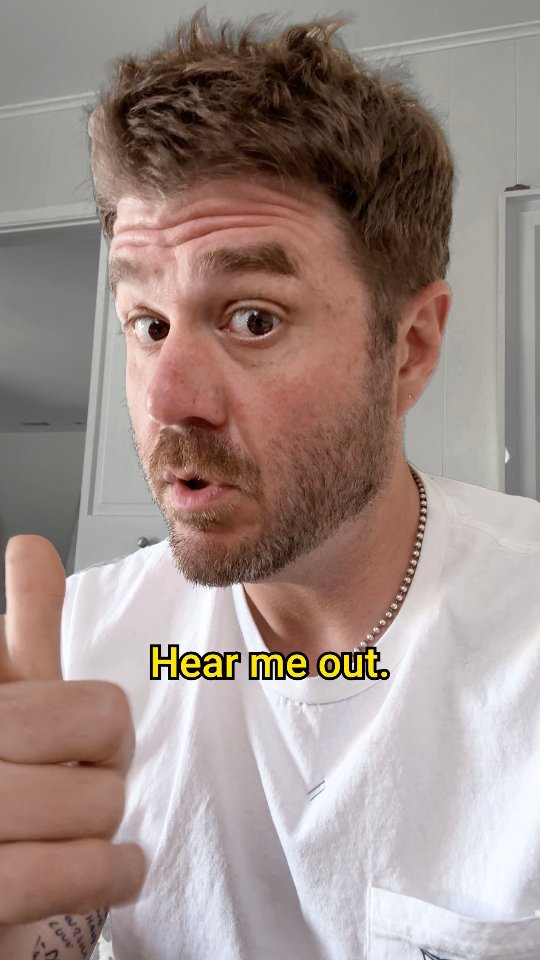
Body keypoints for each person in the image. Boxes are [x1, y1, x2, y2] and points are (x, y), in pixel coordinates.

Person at [2, 7, 540, 959]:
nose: (167, 399)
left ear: (410, 348)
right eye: (148, 324)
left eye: (253, 318)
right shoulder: (74, 653)